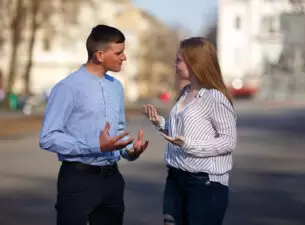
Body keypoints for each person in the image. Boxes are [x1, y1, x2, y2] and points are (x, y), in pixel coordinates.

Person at [39, 24, 149, 225]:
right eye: (119, 53)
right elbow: (48, 137)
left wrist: (130, 151)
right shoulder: (67, 88)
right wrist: (95, 145)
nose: (124, 57)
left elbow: (117, 131)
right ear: (99, 55)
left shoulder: (116, 87)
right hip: (78, 181)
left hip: (112, 180)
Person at [143, 37, 237, 225]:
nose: (174, 64)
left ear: (195, 62)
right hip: (176, 178)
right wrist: (160, 122)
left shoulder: (214, 97)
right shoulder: (185, 93)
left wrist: (188, 145)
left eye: (179, 59)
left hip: (204, 184)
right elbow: (183, 133)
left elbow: (228, 142)